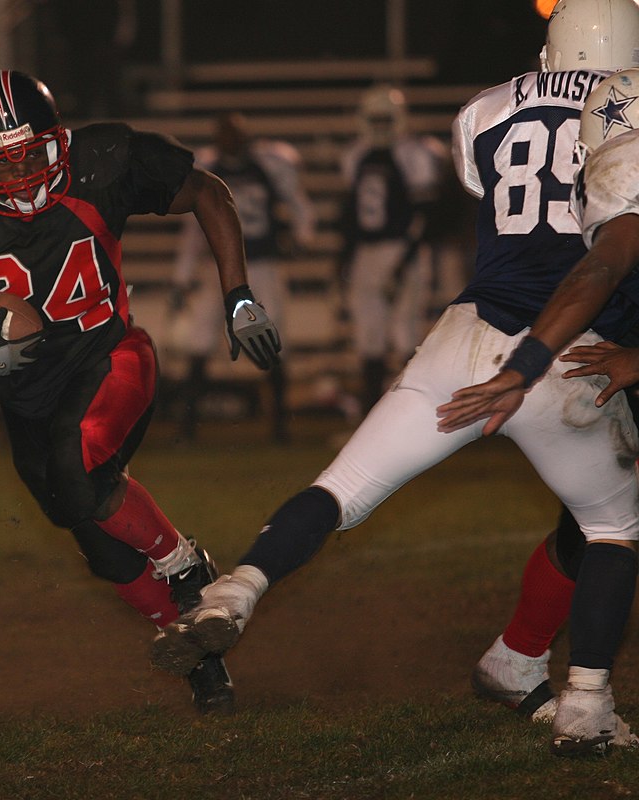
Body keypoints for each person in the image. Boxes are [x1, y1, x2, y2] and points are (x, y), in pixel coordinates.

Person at [148, 0, 639, 755]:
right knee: (614, 526)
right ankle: (587, 704)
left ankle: (238, 589)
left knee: (342, 487)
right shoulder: (628, 112)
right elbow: (600, 260)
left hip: (464, 331)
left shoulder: (484, 111)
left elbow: (498, 200)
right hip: (563, 349)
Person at [0, 70, 281, 714]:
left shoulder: (101, 166)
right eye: (0, 166)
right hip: (26, 393)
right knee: (92, 539)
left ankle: (184, 565)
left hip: (112, 355)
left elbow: (208, 193)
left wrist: (238, 295)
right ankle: (198, 659)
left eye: (32, 155)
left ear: (59, 143)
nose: (22, 177)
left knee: (79, 462)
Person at [436, 65, 639, 751]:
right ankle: (538, 668)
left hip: (610, 330)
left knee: (607, 517)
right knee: (604, 518)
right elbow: (600, 264)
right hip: (606, 329)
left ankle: (524, 660)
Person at [168, 113, 315, 442]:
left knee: (273, 336)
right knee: (200, 339)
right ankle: (188, 427)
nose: (230, 140)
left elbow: (300, 207)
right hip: (216, 267)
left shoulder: (270, 163)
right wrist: (182, 277)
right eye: (224, 134)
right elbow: (194, 230)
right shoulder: (207, 167)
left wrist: (300, 240)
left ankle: (279, 422)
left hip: (261, 264)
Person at [336, 85, 447, 414]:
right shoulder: (355, 155)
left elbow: (426, 216)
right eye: (376, 119)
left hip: (403, 249)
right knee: (369, 335)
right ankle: (371, 416)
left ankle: (411, 413)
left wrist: (404, 261)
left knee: (405, 332)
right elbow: (350, 215)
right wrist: (345, 259)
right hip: (367, 253)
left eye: (387, 119)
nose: (381, 126)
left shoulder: (415, 153)